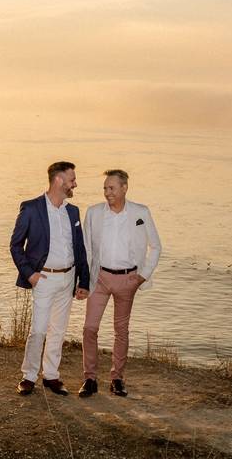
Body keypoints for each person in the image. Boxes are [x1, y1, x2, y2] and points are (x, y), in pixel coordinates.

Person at [78, 169, 162, 398]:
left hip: (128, 280)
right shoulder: (94, 213)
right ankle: (89, 378)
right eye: (105, 188)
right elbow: (85, 249)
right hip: (100, 278)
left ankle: (117, 379)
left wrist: (142, 276)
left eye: (111, 188)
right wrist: (83, 280)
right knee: (89, 328)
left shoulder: (141, 212)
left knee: (121, 330)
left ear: (124, 188)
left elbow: (155, 246)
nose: (107, 193)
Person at [10, 161, 91, 396]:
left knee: (58, 330)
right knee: (38, 330)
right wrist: (31, 274)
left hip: (67, 279)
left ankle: (52, 376)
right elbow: (15, 246)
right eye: (72, 179)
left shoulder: (72, 211)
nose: (75, 183)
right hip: (44, 279)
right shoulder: (31, 209)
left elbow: (80, 248)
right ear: (58, 180)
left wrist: (83, 281)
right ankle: (29, 376)